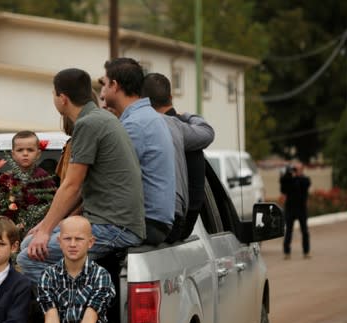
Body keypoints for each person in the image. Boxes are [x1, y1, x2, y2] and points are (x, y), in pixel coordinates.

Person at [17, 68, 145, 283]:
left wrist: (46, 230)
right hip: (110, 220)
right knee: (28, 242)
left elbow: (71, 186)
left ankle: (70, 313)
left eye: (53, 94)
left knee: (28, 258)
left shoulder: (88, 124)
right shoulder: (101, 118)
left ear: (63, 98)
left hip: (114, 226)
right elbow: (80, 188)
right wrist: (45, 226)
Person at [100, 58, 176, 244]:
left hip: (144, 223)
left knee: (34, 253)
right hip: (153, 221)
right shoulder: (147, 116)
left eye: (104, 84)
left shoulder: (135, 125)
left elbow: (108, 178)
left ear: (115, 85)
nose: (101, 93)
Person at [141, 72, 215, 242]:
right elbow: (207, 131)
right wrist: (187, 115)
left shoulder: (151, 131)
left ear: (143, 102)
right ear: (171, 97)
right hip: (182, 227)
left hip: (163, 226)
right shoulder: (189, 132)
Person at [280, 163, 312, 258]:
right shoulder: (289, 180)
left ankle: (306, 252)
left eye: (297, 169)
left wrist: (296, 176)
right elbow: (283, 189)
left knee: (304, 231)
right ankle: (287, 252)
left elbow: (304, 184)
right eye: (294, 169)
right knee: (289, 231)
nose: (295, 170)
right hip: (290, 208)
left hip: (301, 209)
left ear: (302, 170)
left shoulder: (305, 180)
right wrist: (287, 174)